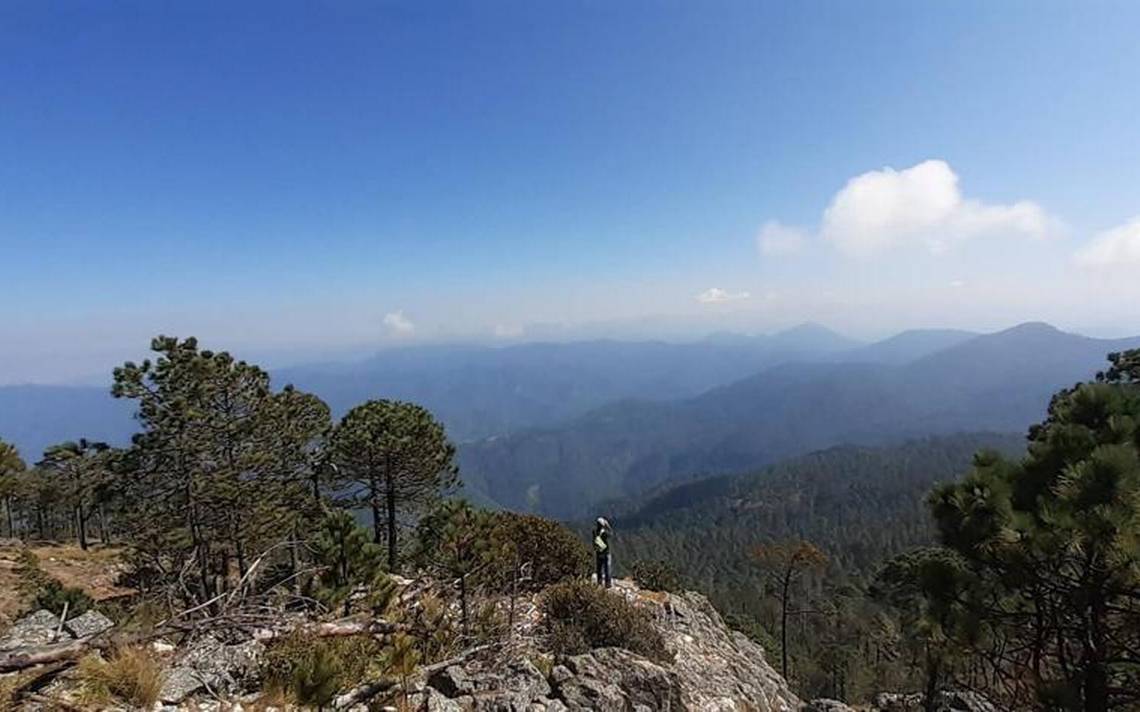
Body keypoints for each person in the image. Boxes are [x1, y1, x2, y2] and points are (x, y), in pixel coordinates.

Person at [593, 516, 612, 588]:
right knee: (607, 569)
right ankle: (608, 583)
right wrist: (608, 526)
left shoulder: (595, 532)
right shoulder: (605, 533)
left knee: (599, 569)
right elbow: (611, 534)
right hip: (606, 552)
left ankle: (599, 582)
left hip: (599, 552)